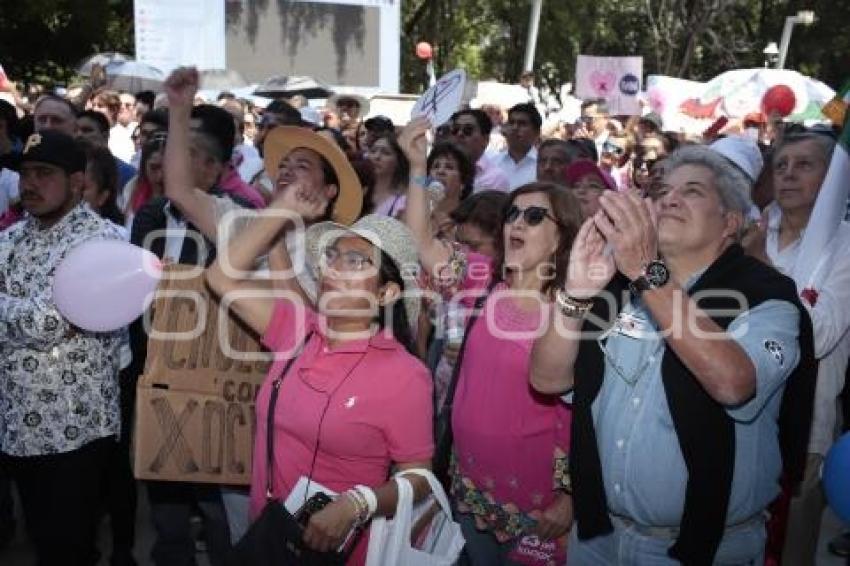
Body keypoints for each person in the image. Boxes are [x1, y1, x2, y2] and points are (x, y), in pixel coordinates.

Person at [530, 145, 815, 564]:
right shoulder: (614, 286)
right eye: (663, 191)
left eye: (693, 191)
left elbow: (732, 383)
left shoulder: (768, 297)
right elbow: (546, 380)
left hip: (702, 549)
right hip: (598, 537)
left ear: (730, 224)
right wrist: (575, 295)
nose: (670, 199)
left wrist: (648, 272)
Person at [205, 189, 434, 565]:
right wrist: (283, 209)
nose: (334, 269)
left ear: (386, 292)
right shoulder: (296, 328)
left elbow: (419, 477)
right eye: (333, 256)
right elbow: (220, 278)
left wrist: (358, 504)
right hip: (268, 535)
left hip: (337, 549)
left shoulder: (405, 376)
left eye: (357, 261)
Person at [403, 116, 576, 565]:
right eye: (512, 214)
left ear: (563, 234)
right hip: (469, 491)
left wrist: (571, 496)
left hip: (541, 509)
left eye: (535, 216)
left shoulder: (576, 312)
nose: (517, 222)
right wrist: (417, 166)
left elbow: (586, 415)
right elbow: (420, 238)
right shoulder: (480, 280)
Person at [0, 130, 125, 566]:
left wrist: (31, 312)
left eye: (43, 173)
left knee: (68, 550)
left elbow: (48, 320)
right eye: (25, 173)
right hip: (16, 423)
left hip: (74, 431)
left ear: (76, 181)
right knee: (41, 542)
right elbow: (41, 318)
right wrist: (31, 311)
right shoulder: (15, 236)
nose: (29, 184)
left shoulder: (104, 241)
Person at [742, 131, 850, 565]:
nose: (788, 175)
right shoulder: (748, 230)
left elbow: (818, 336)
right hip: (738, 414)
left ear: (834, 177)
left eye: (805, 165)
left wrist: (758, 269)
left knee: (786, 549)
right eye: (781, 165)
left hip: (803, 428)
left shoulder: (844, 246)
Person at [450, 109, 510, 193]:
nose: (460, 134)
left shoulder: (495, 178)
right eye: (455, 129)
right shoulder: (439, 168)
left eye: (468, 130)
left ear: (485, 140)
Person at [76, 109, 137, 190]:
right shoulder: (67, 170)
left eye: (87, 130)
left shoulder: (127, 173)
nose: (79, 135)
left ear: (105, 136)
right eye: (75, 130)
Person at [426, 141, 475, 237]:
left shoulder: (467, 223)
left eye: (449, 167)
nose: (440, 171)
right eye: (436, 166)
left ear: (463, 182)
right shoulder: (415, 214)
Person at [493, 102, 541, 191]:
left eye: (522, 124)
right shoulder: (492, 162)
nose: (515, 128)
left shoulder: (542, 166)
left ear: (536, 132)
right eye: (511, 123)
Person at [365, 133, 409, 218]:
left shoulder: (403, 201)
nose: (377, 157)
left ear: (398, 160)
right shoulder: (359, 190)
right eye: (373, 151)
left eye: (386, 153)